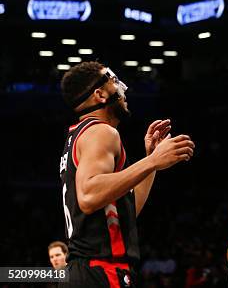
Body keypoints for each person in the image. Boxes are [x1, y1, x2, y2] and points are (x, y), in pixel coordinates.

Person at [59, 61, 195, 287]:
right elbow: (89, 197)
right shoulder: (100, 131)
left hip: (87, 271)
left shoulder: (80, 135)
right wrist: (152, 160)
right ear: (100, 94)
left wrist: (151, 163)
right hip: (99, 270)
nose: (123, 88)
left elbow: (127, 212)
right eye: (113, 81)